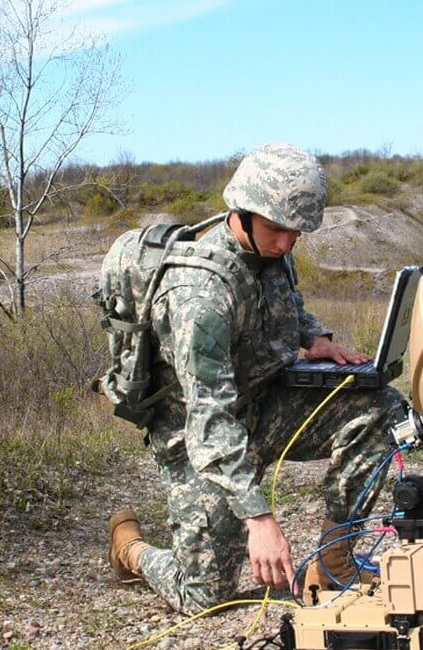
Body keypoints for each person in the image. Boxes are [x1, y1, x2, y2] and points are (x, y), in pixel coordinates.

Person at [107, 142, 407, 614]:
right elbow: (210, 418)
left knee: (382, 407)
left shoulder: (273, 250)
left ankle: (335, 558)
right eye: (276, 229)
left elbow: (287, 303)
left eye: (296, 233)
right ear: (241, 212)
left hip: (263, 406)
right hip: (199, 440)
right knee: (204, 595)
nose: (287, 243)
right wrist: (260, 518)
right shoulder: (199, 293)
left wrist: (315, 338)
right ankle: (131, 550)